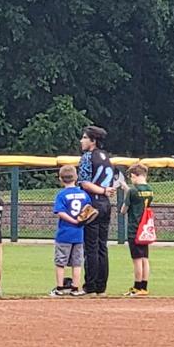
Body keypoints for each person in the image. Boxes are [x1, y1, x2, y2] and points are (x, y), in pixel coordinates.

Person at [77, 125, 115, 294]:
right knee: (102, 246)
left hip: (93, 203)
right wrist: (106, 191)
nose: (81, 141)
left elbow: (85, 183)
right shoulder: (106, 157)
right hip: (106, 204)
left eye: (85, 138)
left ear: (93, 141)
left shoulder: (87, 157)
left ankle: (90, 286)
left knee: (91, 247)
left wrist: (102, 190)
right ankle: (101, 286)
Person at [51, 164, 92, 297]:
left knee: (60, 262)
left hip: (64, 233)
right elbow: (89, 210)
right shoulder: (84, 194)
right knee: (77, 263)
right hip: (79, 234)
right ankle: (75, 287)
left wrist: (72, 221)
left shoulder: (62, 194)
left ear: (60, 179)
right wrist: (80, 220)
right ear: (76, 177)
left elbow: (60, 212)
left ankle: (60, 288)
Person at [117, 162, 154, 296]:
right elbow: (139, 197)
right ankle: (144, 286)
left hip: (134, 228)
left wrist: (126, 195)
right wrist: (127, 188)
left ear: (134, 175)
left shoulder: (132, 191)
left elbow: (123, 210)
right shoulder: (150, 190)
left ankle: (137, 286)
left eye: (131, 177)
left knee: (137, 259)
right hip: (145, 229)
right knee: (145, 258)